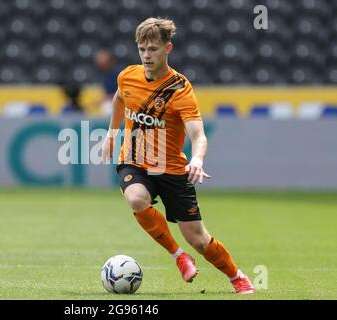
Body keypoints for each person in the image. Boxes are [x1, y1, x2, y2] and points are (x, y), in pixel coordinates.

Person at [100, 17, 255, 294]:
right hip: (133, 161)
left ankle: (236, 276)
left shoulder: (180, 89)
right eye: (142, 49)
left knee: (199, 239)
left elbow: (198, 135)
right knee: (136, 199)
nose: (147, 55)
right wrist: (112, 134)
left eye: (153, 49)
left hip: (171, 169)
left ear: (168, 48)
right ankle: (178, 256)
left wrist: (197, 159)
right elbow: (118, 98)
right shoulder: (127, 76)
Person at [94, 49, 122, 116]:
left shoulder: (119, 73)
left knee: (107, 107)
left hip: (122, 102)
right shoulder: (106, 74)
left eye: (102, 60)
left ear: (109, 61)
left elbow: (123, 92)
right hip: (112, 101)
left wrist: (105, 98)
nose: (100, 63)